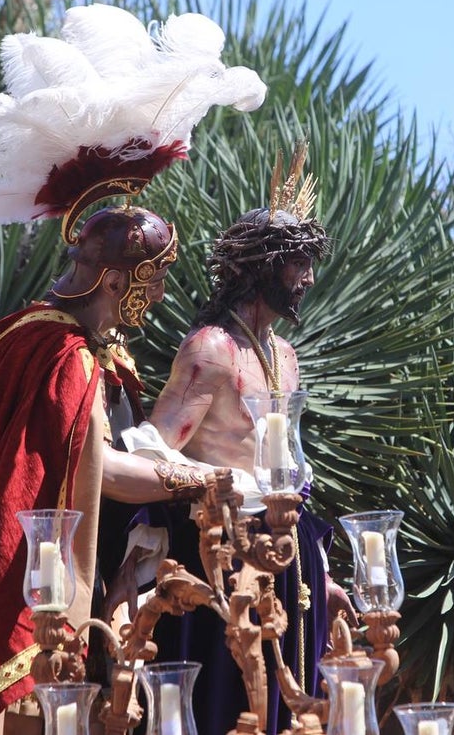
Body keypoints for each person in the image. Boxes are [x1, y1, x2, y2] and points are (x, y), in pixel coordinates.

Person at [0, 206, 218, 735]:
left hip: (84, 584)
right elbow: (99, 471)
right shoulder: (60, 353)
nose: (161, 296)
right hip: (28, 589)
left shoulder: (81, 349)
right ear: (114, 280)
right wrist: (206, 480)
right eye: (154, 280)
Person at [117, 146, 354, 735]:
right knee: (229, 705)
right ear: (262, 266)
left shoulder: (285, 357)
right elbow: (153, 448)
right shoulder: (211, 350)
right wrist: (213, 494)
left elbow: (287, 463)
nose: (309, 278)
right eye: (298, 264)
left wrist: (318, 567)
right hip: (220, 560)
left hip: (289, 554)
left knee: (292, 702)